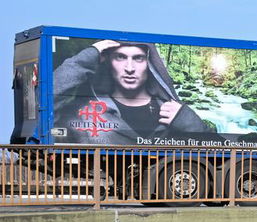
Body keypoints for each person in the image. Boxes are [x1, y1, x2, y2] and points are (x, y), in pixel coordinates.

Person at [53, 39, 210, 145]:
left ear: (149, 64)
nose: (129, 68)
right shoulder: (84, 113)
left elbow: (222, 147)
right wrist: (89, 57)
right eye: (120, 57)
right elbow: (48, 102)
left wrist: (188, 122)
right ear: (107, 61)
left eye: (138, 58)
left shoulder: (174, 112)